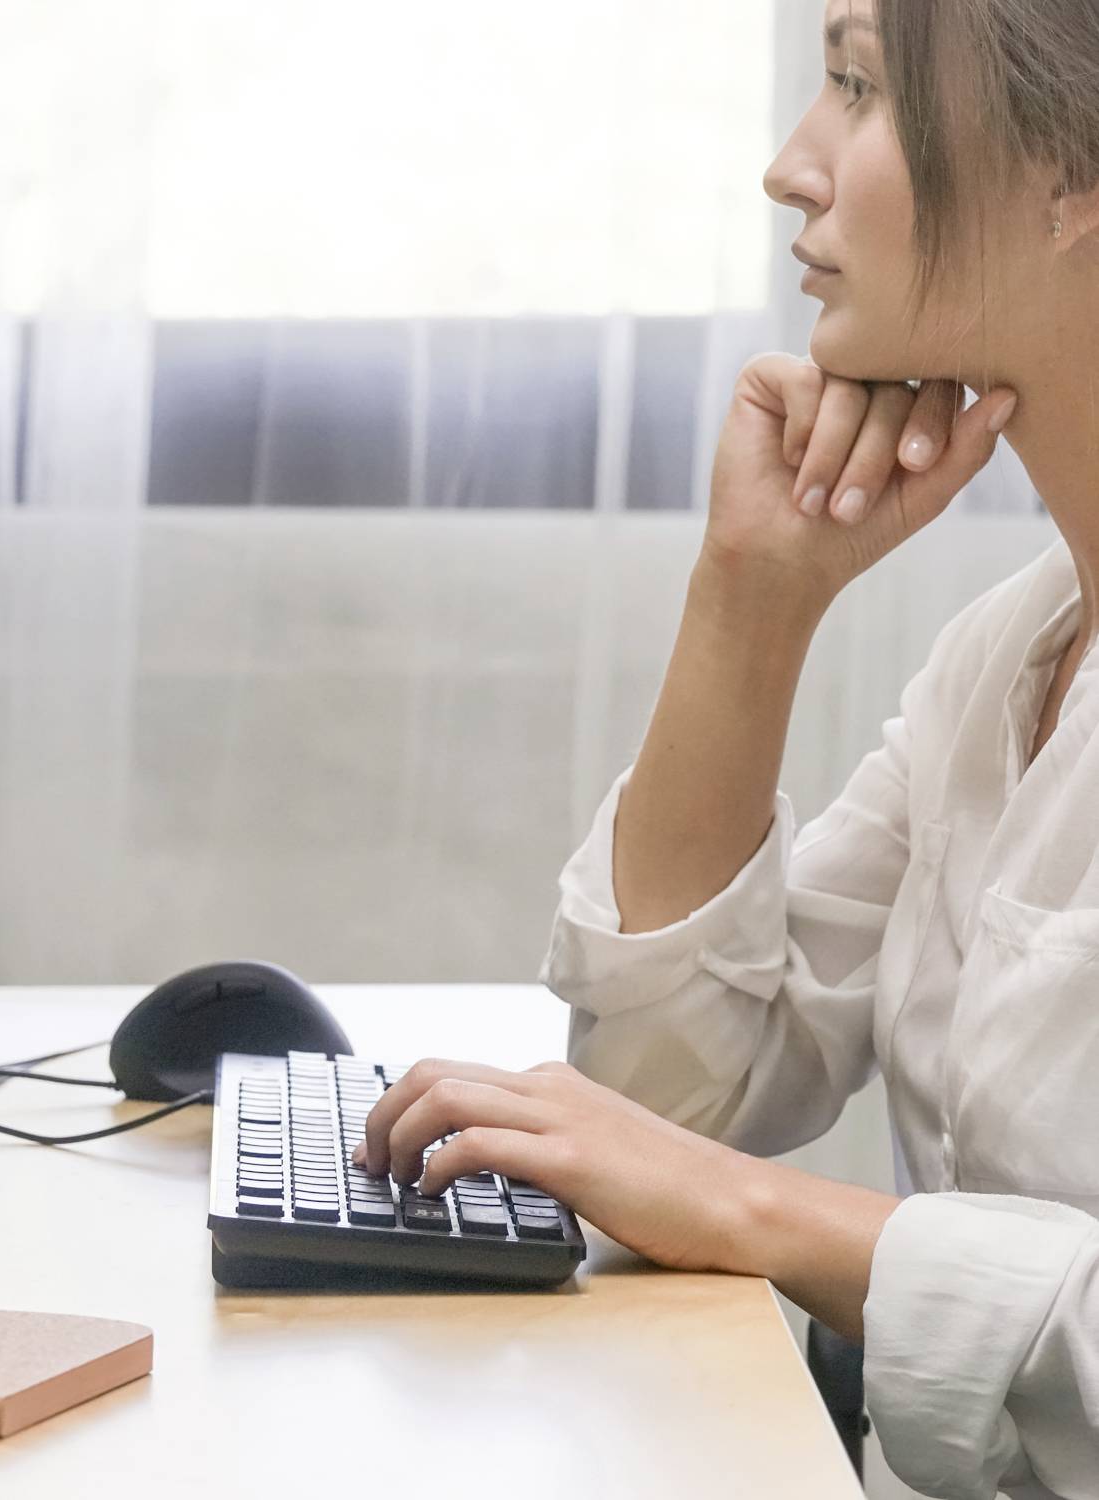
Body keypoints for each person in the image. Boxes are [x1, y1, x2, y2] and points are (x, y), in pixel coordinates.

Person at [351, 2, 1099, 1495]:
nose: (789, 166)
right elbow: (664, 1113)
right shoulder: (1011, 658)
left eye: (857, 88)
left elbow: (691, 1169)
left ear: (1072, 173)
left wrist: (761, 1214)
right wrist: (751, 602)